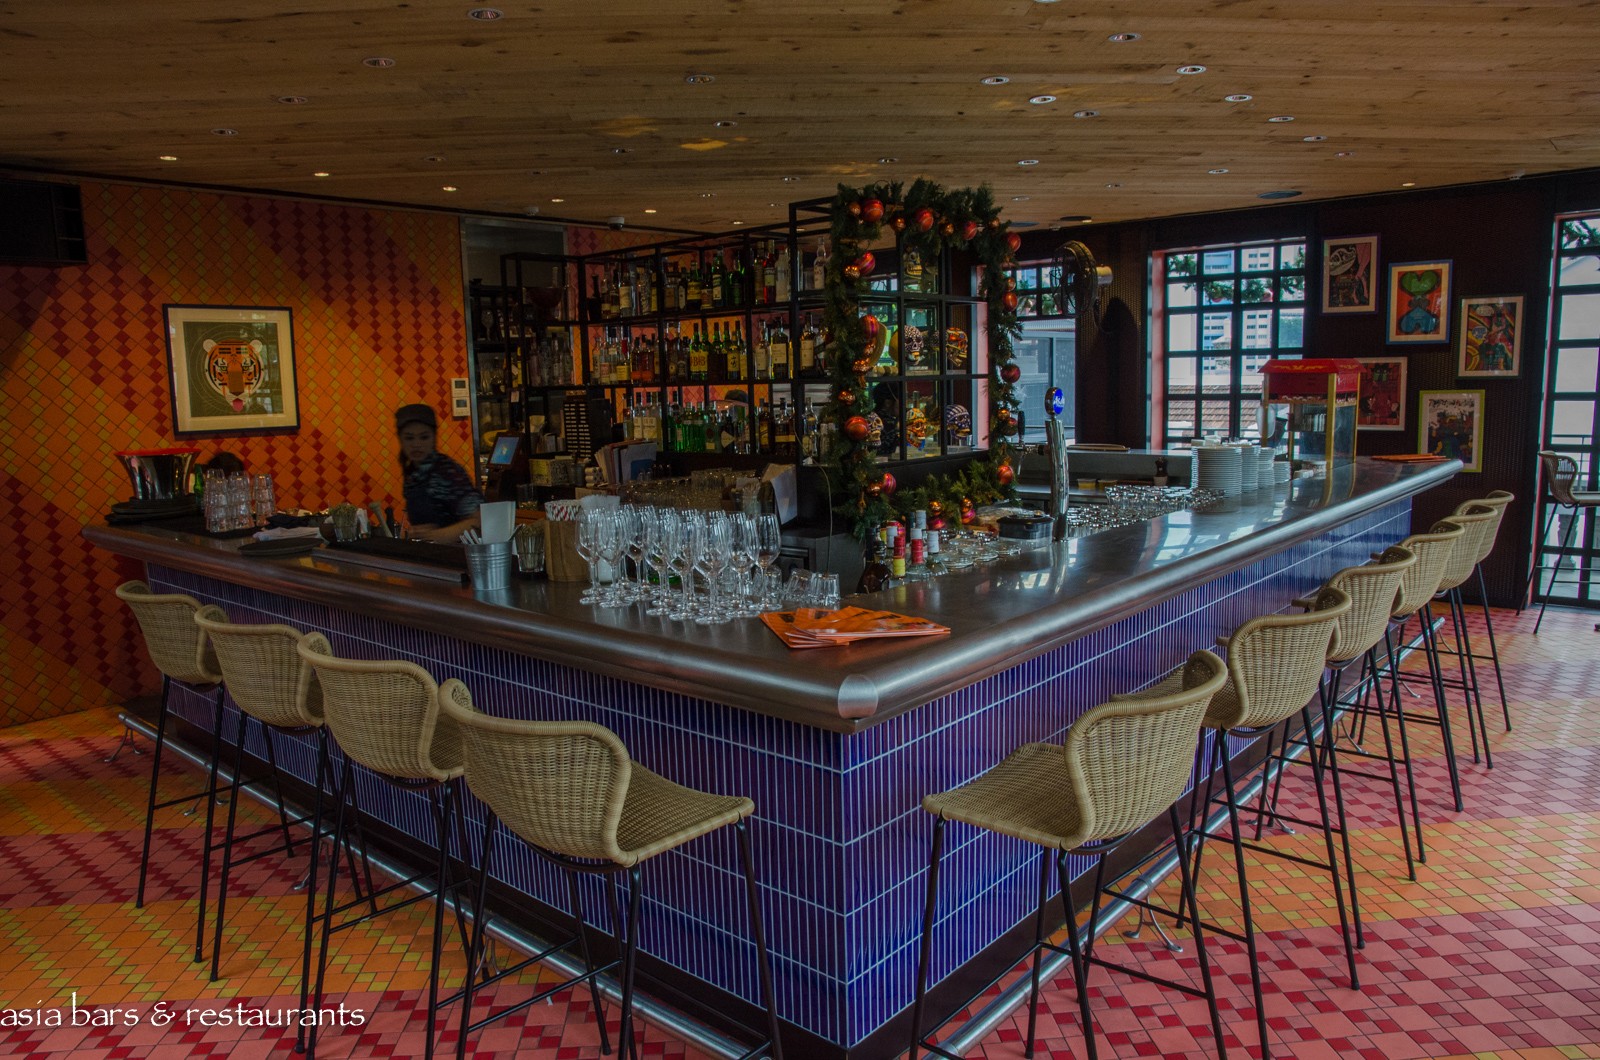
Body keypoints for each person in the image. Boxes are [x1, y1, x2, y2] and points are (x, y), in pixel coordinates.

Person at [395, 403, 481, 543]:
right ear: (400, 439)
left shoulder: (448, 472)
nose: (416, 444)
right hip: (428, 553)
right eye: (409, 438)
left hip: (455, 553)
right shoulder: (413, 474)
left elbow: (478, 521)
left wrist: (437, 535)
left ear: (434, 437)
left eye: (424, 437)